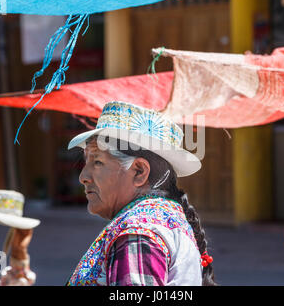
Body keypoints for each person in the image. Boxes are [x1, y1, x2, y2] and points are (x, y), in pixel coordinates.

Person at [65, 101, 216, 286]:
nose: (83, 177)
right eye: (86, 162)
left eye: (97, 162)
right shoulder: (159, 221)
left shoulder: (139, 231)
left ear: (139, 172)